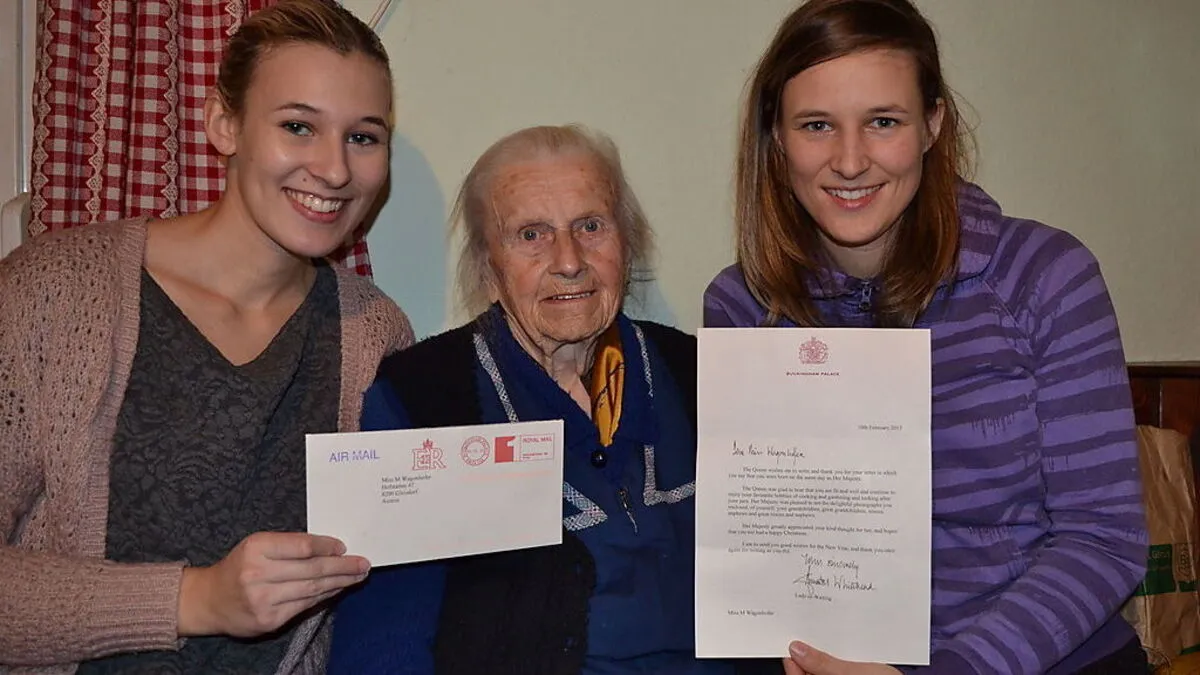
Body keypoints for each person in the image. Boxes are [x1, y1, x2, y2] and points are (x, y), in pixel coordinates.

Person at [702, 1, 1148, 674]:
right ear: (777, 136)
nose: (850, 161)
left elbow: (1104, 538)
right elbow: (764, 549)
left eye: (883, 122)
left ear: (933, 124)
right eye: (816, 125)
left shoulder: (1044, 276)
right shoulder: (741, 305)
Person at [0, 1, 413, 672]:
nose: (334, 170)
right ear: (225, 123)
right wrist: (195, 598)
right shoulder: (52, 288)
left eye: (363, 137)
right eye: (299, 126)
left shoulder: (377, 334)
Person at [327, 124, 742, 675]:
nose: (569, 260)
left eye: (591, 226)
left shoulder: (708, 376)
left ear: (628, 240)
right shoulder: (417, 401)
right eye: (531, 235)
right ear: (488, 266)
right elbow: (381, 644)